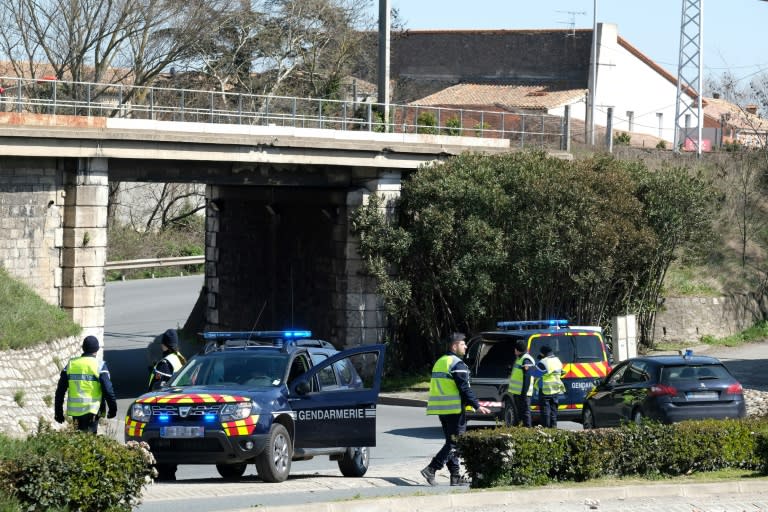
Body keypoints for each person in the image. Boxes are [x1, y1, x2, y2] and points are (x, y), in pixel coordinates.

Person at [422, 332, 491, 487]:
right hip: (454, 409)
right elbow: (464, 388)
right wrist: (477, 406)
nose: (466, 346)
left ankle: (455, 476)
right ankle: (432, 468)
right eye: (463, 344)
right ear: (454, 346)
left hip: (442, 409)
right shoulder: (456, 364)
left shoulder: (440, 361)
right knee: (456, 442)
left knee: (451, 443)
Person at [54, 335, 117, 434]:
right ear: (97, 349)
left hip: (76, 412)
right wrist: (113, 409)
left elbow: (60, 391)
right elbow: (108, 390)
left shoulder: (71, 364)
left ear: (83, 348)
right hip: (93, 410)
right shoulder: (100, 365)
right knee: (90, 441)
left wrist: (58, 412)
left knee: (78, 440)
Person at [529, 345, 566, 428]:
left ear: (543, 353)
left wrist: (530, 368)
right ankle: (554, 430)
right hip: (555, 390)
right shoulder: (558, 361)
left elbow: (535, 373)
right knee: (553, 413)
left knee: (545, 413)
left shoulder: (544, 362)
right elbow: (561, 372)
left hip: (545, 391)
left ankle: (547, 431)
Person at [508, 339, 536, 427]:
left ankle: (527, 432)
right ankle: (522, 430)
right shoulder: (520, 358)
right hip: (518, 393)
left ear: (517, 350)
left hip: (523, 393)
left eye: (515, 349)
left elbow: (527, 377)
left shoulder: (526, 360)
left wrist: (524, 393)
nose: (514, 350)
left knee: (525, 413)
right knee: (521, 413)